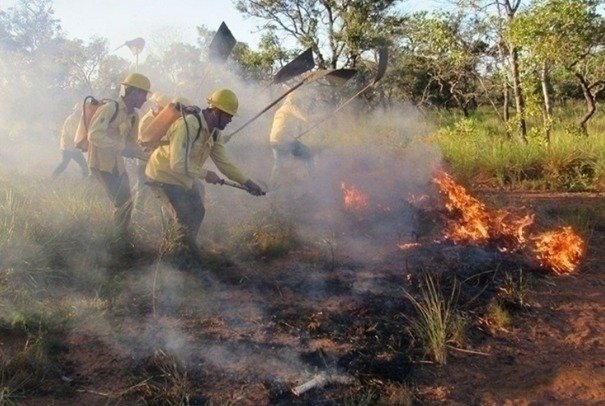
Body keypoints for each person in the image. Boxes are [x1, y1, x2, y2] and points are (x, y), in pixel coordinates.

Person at [145, 88, 264, 266]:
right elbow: (177, 163)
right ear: (216, 112)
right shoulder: (188, 125)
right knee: (184, 218)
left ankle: (180, 251)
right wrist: (206, 174)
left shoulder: (214, 133)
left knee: (197, 211)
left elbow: (224, 163)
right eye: (228, 115)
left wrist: (247, 183)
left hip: (182, 179)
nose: (230, 120)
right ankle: (182, 262)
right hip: (162, 176)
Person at [84, 72, 151, 246]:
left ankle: (120, 238)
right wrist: (120, 147)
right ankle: (115, 242)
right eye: (144, 94)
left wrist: (149, 157)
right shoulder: (110, 108)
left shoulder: (134, 116)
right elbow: (93, 135)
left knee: (127, 202)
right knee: (122, 202)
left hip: (117, 165)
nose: (145, 99)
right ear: (133, 92)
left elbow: (132, 145)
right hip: (100, 163)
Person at [132, 92, 172, 214]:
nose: (163, 112)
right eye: (161, 108)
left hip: (154, 159)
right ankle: (137, 212)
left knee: (142, 185)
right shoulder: (147, 120)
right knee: (143, 186)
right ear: (155, 106)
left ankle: (131, 202)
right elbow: (145, 143)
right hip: (144, 159)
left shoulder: (160, 118)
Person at [268, 90, 314, 191]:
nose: (299, 103)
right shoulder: (290, 106)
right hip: (283, 140)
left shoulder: (280, 110)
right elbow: (306, 118)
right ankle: (313, 183)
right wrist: (323, 117)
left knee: (278, 165)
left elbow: (283, 126)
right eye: (298, 100)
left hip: (274, 140)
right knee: (308, 154)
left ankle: (271, 188)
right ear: (294, 99)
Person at [51, 103, 90, 179]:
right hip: (68, 147)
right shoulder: (71, 120)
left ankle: (85, 179)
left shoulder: (78, 120)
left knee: (83, 164)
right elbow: (73, 135)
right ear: (77, 111)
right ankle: (53, 177)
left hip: (73, 147)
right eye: (80, 112)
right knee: (64, 164)